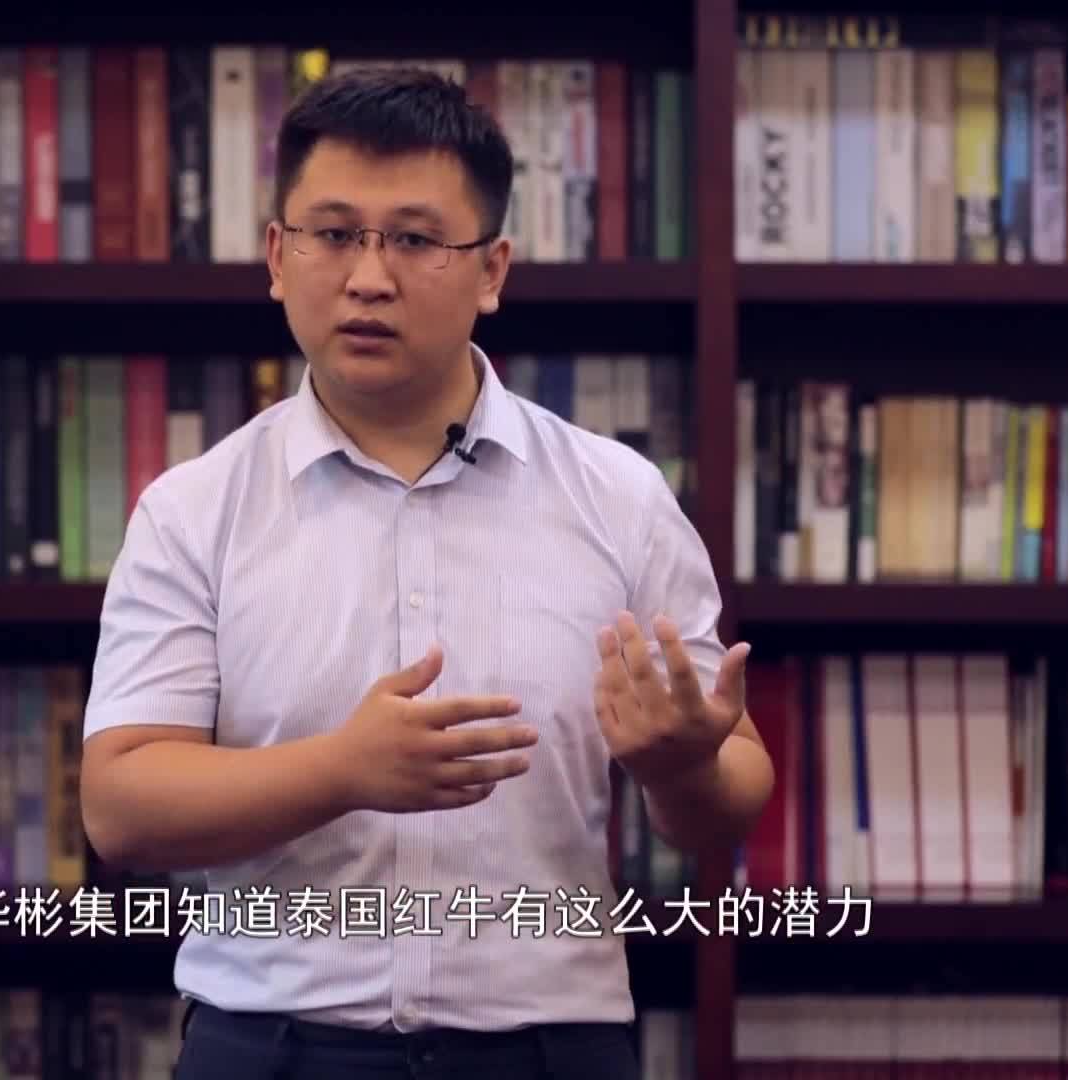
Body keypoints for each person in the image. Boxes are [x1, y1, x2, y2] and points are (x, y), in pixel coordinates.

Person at [79, 66, 774, 1080]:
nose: (369, 277)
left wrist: (679, 768)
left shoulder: (618, 498)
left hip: (547, 1052)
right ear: (276, 256)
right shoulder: (195, 510)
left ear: (492, 270)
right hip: (272, 1049)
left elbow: (733, 786)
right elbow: (120, 806)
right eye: (332, 233)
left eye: (414, 240)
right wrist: (344, 770)